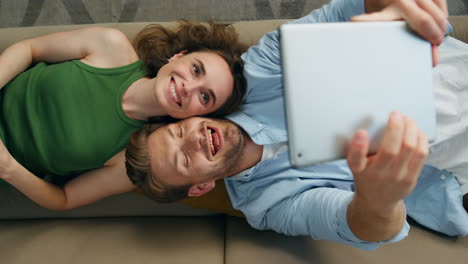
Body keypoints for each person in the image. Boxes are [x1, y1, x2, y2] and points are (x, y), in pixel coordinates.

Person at [125, 0, 468, 250]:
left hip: (451, 73)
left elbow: (354, 9)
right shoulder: (266, 205)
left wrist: (398, 10)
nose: (194, 140)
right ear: (200, 187)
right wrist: (379, 200)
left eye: (179, 131)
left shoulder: (258, 68)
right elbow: (361, 226)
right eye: (184, 160)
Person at [0, 21, 247, 209]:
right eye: (195, 69)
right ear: (178, 56)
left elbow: (64, 199)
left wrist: (9, 169)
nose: (188, 87)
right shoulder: (110, 44)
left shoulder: (136, 157)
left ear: (203, 114)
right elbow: (29, 49)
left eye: (205, 97)